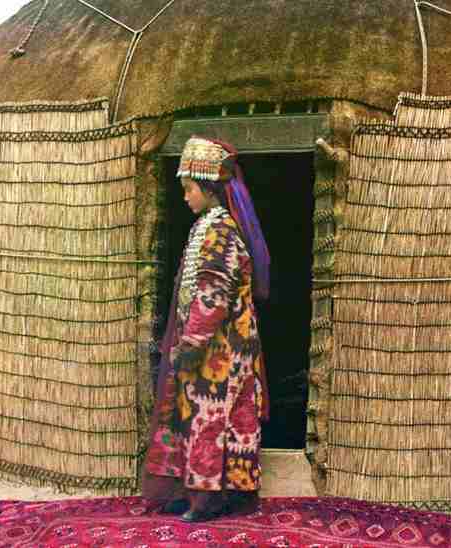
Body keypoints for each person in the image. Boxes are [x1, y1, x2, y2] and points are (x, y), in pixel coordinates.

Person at [142, 136, 270, 522]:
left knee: (211, 420)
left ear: (209, 188)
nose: (185, 197)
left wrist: (192, 341)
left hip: (221, 352)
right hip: (208, 349)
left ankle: (209, 500)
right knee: (193, 418)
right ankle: (190, 492)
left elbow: (213, 294)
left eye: (189, 189)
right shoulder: (206, 226)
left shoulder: (221, 232)